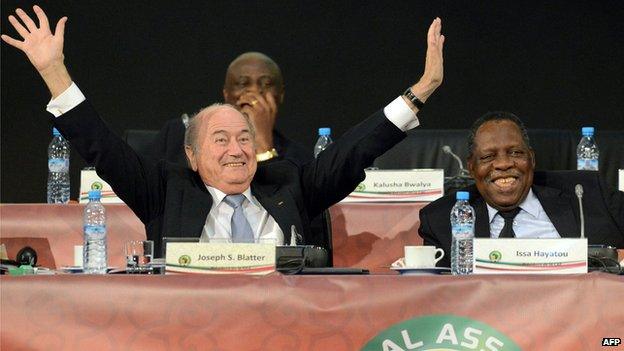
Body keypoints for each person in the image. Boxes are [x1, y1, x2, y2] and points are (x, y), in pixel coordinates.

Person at [2, 6, 445, 256]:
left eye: (245, 138)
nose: (237, 150)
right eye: (221, 139)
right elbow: (99, 145)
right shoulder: (164, 190)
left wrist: (419, 92)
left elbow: (353, 152)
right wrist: (54, 70)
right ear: (192, 156)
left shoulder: (291, 184)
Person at [418, 111, 624, 267]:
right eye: (488, 157)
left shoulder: (587, 193)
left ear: (531, 159)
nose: (503, 164)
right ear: (471, 167)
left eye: (515, 152)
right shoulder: (440, 219)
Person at [148, 52, 311, 166]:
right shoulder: (177, 137)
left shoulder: (299, 160)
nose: (254, 92)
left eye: (266, 84)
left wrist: (263, 148)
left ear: (281, 94)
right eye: (243, 83)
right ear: (226, 94)